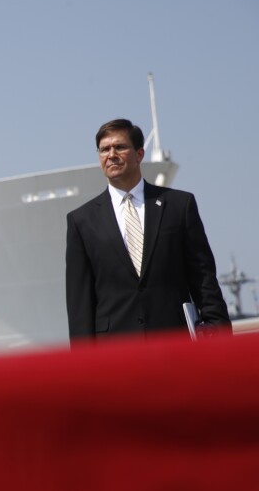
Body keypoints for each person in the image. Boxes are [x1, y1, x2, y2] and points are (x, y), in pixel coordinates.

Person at [65, 118, 230, 341]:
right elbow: (80, 301)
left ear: (139, 154)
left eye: (120, 147)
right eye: (104, 149)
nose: (111, 154)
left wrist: (218, 334)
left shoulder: (179, 206)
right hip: (115, 353)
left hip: (174, 343)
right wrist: (84, 366)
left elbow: (203, 277)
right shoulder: (81, 220)